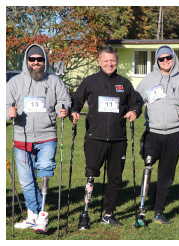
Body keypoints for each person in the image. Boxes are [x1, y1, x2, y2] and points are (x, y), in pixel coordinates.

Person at [70, 46, 141, 229]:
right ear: (99, 61)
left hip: (118, 139)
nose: (110, 64)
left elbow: (136, 103)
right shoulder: (90, 81)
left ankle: (108, 213)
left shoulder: (124, 83)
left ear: (116, 62)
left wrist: (134, 111)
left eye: (113, 61)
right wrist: (75, 111)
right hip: (95, 137)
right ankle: (85, 213)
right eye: (106, 61)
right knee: (91, 175)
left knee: (115, 179)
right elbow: (77, 100)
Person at [6, 44, 70, 234]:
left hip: (47, 136)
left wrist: (63, 108)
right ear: (27, 61)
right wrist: (8, 112)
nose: (36, 62)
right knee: (26, 180)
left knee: (44, 172)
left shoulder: (54, 81)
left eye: (39, 59)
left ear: (45, 61)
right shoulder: (15, 82)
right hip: (21, 138)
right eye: (32, 59)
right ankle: (32, 214)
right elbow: (5, 104)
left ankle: (42, 215)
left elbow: (64, 99)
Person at [134, 45, 179, 225]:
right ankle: (142, 208)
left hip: (174, 133)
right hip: (152, 132)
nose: (165, 61)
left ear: (173, 58)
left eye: (168, 57)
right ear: (157, 61)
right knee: (148, 168)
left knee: (166, 175)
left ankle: (158, 212)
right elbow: (137, 99)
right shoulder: (150, 78)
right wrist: (133, 110)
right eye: (161, 59)